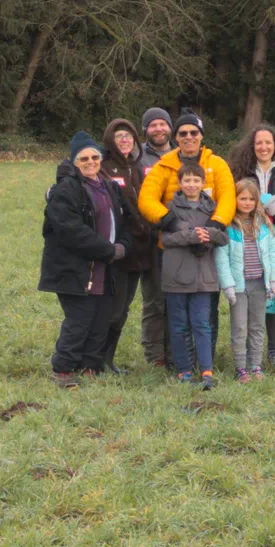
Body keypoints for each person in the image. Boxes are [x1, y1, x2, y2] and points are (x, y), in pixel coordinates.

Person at [39, 132, 130, 389]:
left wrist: (123, 245)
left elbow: (123, 221)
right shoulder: (65, 190)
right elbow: (71, 231)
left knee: (101, 317)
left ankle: (90, 366)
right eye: (83, 158)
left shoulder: (109, 186)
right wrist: (107, 250)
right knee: (80, 319)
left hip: (105, 267)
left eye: (94, 157)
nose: (90, 162)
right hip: (75, 268)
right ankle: (64, 369)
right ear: (74, 161)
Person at [228, 124, 275, 369]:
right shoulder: (240, 171)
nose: (263, 147)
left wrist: (273, 217)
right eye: (259, 143)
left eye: (268, 143)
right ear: (252, 145)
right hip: (246, 237)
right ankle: (249, 353)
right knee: (251, 292)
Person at [159, 161, 229, 389]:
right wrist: (191, 236)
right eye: (186, 180)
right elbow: (165, 239)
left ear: (203, 183)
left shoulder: (212, 208)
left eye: (196, 180)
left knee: (202, 324)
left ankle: (206, 370)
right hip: (176, 277)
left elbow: (223, 237)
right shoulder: (170, 209)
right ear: (179, 183)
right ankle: (184, 370)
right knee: (178, 326)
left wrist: (207, 233)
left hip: (204, 278)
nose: (191, 184)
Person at [98, 118, 152, 375]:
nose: (124, 140)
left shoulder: (138, 167)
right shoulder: (103, 166)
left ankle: (107, 359)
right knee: (112, 308)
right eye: (119, 136)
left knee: (124, 308)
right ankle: (96, 359)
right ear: (110, 139)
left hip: (139, 250)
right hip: (116, 249)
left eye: (128, 136)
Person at [215, 180, 275, 382]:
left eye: (251, 199)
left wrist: (274, 281)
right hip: (238, 286)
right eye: (242, 198)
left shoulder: (264, 225)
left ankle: (256, 366)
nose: (247, 202)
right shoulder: (228, 227)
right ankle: (240, 367)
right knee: (240, 327)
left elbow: (273, 253)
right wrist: (227, 285)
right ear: (234, 200)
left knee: (257, 326)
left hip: (259, 284)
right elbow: (221, 258)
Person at [135, 108, 174, 367]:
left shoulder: (183, 152)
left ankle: (176, 351)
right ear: (145, 130)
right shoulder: (137, 157)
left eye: (162, 124)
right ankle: (154, 355)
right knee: (155, 300)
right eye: (153, 125)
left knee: (176, 299)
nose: (158, 129)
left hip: (179, 237)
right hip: (149, 238)